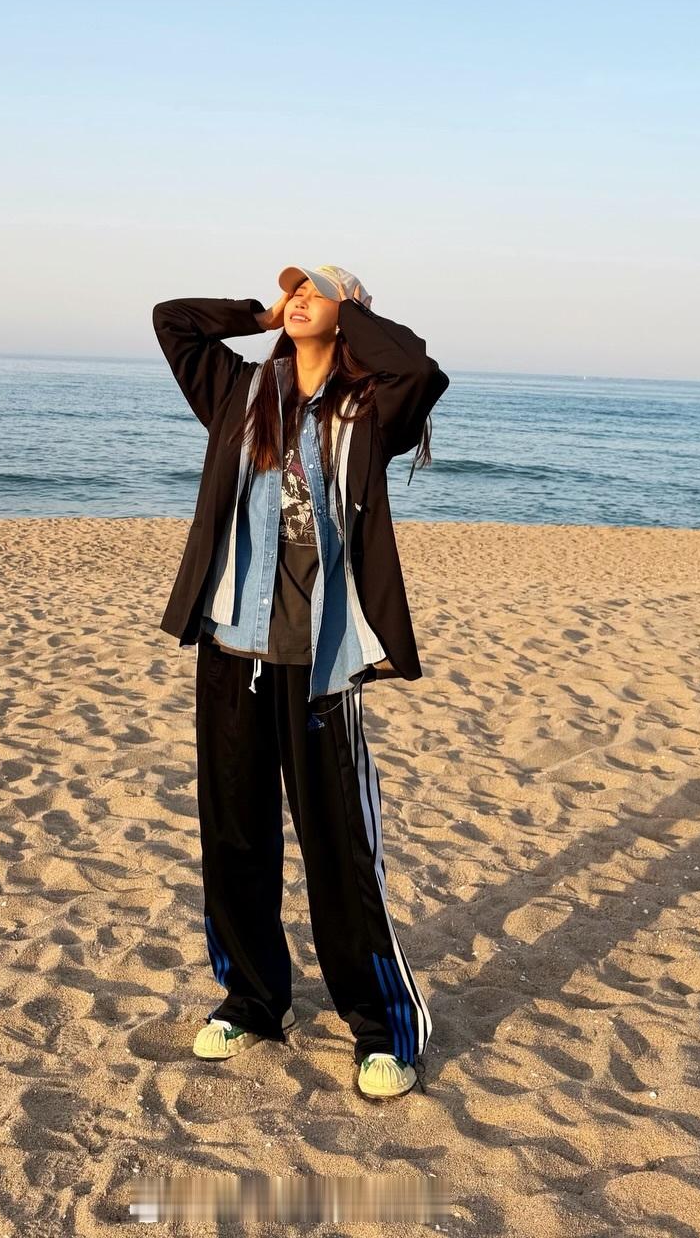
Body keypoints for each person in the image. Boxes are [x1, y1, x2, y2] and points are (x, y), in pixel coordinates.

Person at [151, 263, 450, 1100]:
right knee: (234, 835)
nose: (301, 295)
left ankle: (382, 1026)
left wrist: (351, 312)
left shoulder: (372, 408)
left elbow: (419, 367)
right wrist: (260, 314)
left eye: (317, 286)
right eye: (295, 287)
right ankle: (253, 1000)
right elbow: (173, 320)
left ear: (351, 313)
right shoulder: (241, 392)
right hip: (232, 645)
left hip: (321, 658)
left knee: (338, 847)